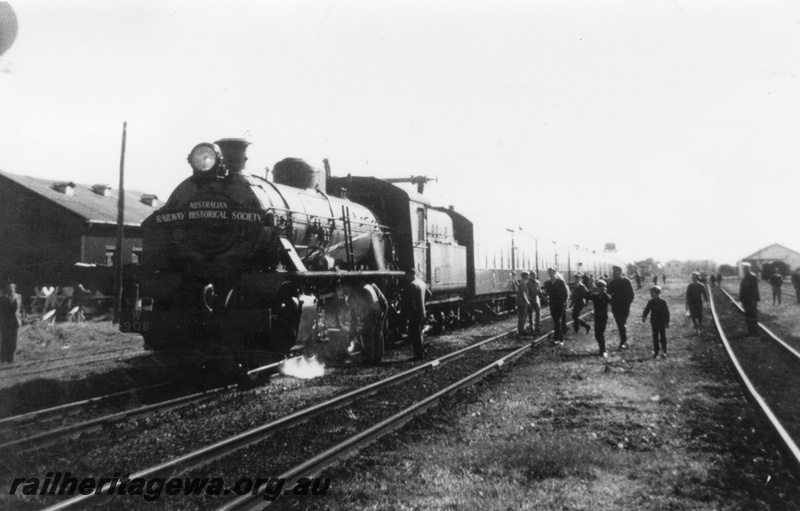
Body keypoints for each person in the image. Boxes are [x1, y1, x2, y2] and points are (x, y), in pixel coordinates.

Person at [344, 281, 388, 364]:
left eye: (352, 304)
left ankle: (371, 358)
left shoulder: (364, 294)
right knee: (377, 334)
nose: (352, 307)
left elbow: (366, 314)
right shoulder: (365, 291)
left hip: (376, 312)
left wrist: (357, 329)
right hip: (378, 311)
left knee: (369, 335)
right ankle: (378, 358)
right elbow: (356, 315)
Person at [402, 268, 432, 360]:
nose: (406, 278)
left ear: (411, 274)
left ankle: (419, 355)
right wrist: (423, 304)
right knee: (419, 333)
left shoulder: (411, 285)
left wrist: (405, 314)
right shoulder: (422, 283)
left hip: (414, 314)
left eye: (407, 276)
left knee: (415, 334)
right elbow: (429, 295)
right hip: (422, 312)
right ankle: (422, 352)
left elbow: (407, 302)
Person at [607, 265, 635, 349]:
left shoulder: (626, 281)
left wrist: (628, 303)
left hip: (624, 306)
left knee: (621, 323)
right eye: (613, 272)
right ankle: (624, 341)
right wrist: (611, 303)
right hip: (616, 307)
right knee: (620, 323)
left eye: (615, 272)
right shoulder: (612, 283)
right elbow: (608, 294)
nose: (614, 273)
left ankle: (623, 341)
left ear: (620, 272)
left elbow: (631, 294)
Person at [542, 267, 569, 345]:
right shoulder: (547, 283)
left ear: (555, 272)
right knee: (556, 321)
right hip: (552, 303)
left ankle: (557, 338)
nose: (550, 274)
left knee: (558, 321)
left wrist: (564, 301)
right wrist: (544, 295)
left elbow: (565, 293)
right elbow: (546, 293)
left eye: (552, 272)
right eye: (549, 272)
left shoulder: (560, 282)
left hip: (560, 303)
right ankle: (560, 338)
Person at [586, 279, 612, 359]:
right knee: (597, 334)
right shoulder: (595, 296)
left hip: (603, 316)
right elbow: (585, 297)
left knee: (600, 333)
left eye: (602, 287)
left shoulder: (606, 296)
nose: (600, 288)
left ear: (604, 288)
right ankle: (602, 349)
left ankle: (603, 350)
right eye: (599, 287)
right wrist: (591, 290)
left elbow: (611, 301)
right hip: (597, 316)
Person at [642, 286, 670, 358]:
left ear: (657, 293)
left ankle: (664, 351)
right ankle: (656, 351)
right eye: (650, 293)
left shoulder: (663, 302)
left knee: (663, 336)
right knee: (655, 336)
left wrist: (667, 322)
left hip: (662, 321)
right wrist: (644, 316)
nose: (651, 294)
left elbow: (667, 312)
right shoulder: (650, 302)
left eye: (652, 293)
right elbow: (647, 310)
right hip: (654, 321)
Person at [0, 283, 23, 364]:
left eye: (13, 289)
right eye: (10, 290)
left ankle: (11, 358)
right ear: (7, 290)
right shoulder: (3, 298)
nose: (12, 291)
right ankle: (3, 358)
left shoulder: (19, 296)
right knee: (5, 340)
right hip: (5, 321)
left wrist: (20, 319)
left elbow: (19, 308)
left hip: (15, 321)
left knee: (13, 340)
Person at [739, 263, 760, 336]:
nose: (744, 270)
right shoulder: (744, 277)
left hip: (751, 300)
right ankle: (749, 330)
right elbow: (742, 289)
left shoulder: (752, 276)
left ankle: (754, 330)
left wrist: (754, 300)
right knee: (747, 314)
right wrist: (741, 299)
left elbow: (755, 290)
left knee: (752, 314)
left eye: (746, 268)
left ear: (748, 269)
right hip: (745, 300)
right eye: (744, 269)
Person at [685, 272, 708, 336]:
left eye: (694, 277)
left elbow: (705, 294)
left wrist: (706, 301)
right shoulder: (690, 286)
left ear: (697, 277)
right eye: (692, 277)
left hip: (698, 302)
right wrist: (686, 304)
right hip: (691, 303)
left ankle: (699, 325)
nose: (693, 278)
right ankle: (697, 328)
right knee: (693, 316)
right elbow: (687, 295)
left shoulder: (701, 285)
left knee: (699, 315)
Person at [510, 271, 532, 338]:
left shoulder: (521, 282)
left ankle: (521, 330)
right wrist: (527, 301)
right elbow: (524, 293)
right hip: (522, 302)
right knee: (523, 316)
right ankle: (521, 331)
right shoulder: (524, 283)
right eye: (528, 275)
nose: (529, 277)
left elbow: (518, 286)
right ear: (525, 276)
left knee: (521, 316)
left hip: (519, 302)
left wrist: (514, 278)